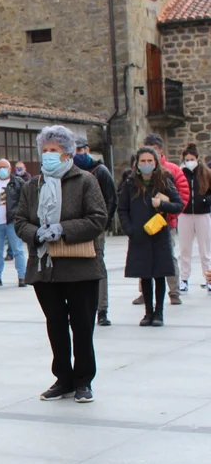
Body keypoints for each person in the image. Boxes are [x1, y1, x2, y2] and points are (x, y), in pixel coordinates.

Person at [14, 126, 108, 403]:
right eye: (44, 150)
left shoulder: (85, 181)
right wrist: (36, 233)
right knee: (55, 325)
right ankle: (62, 378)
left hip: (80, 268)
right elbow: (20, 221)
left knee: (82, 326)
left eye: (53, 150)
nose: (48, 155)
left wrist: (63, 229)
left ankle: (84, 380)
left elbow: (98, 218)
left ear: (67, 153)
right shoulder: (33, 186)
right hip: (46, 268)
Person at [118, 147, 183, 327]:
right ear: (137, 164)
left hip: (158, 234)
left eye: (149, 161)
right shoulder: (130, 183)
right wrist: (129, 229)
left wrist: (162, 204)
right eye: (143, 161)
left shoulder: (164, 180)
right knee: (144, 274)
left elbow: (178, 205)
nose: (146, 164)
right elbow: (122, 209)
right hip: (139, 235)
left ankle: (159, 312)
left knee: (159, 274)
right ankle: (148, 312)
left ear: (155, 162)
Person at [138, 134, 188, 306]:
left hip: (166, 223)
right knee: (143, 257)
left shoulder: (172, 170)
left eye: (154, 149)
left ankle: (174, 291)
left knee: (168, 256)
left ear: (160, 150)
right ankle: (144, 293)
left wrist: (170, 215)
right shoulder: (137, 173)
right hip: (143, 224)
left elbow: (182, 196)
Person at [72, 138, 117, 326]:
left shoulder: (101, 171)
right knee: (75, 266)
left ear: (87, 149)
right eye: (74, 150)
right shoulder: (69, 171)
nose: (77, 153)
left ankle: (102, 308)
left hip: (95, 226)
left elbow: (111, 199)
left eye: (80, 150)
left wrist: (102, 223)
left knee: (98, 264)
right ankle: (78, 308)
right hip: (75, 226)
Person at [0, 158, 28, 287]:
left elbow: (24, 201)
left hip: (12, 222)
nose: (2, 170)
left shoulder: (18, 183)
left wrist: (18, 217)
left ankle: (22, 276)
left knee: (18, 249)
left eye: (4, 167)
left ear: (10, 169)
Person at [177, 144, 211, 293]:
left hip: (203, 214)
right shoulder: (180, 173)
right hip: (185, 214)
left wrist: (205, 200)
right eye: (187, 159)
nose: (190, 162)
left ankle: (208, 279)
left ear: (197, 159)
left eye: (192, 159)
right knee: (185, 249)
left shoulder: (205, 173)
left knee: (205, 250)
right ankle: (184, 279)